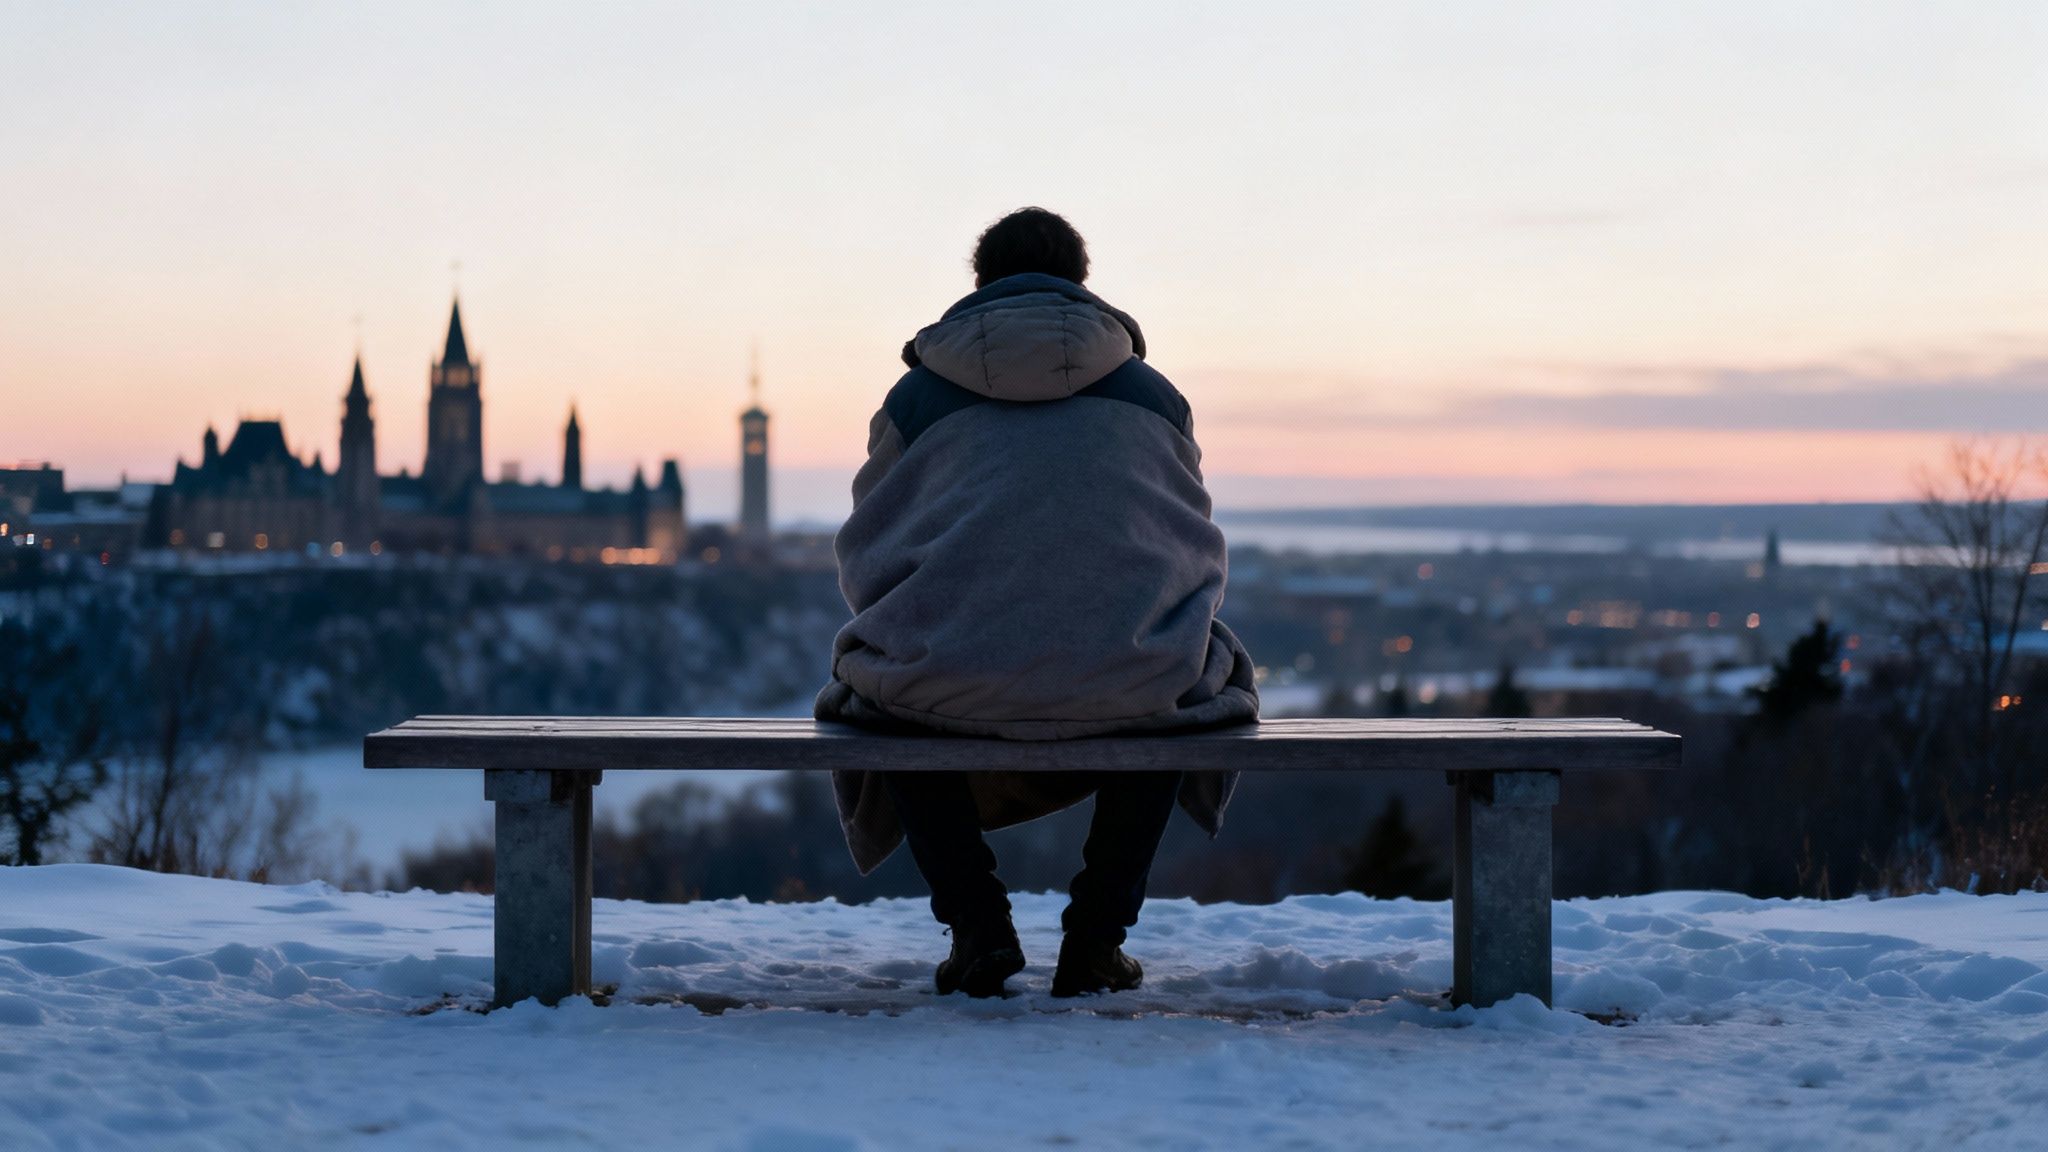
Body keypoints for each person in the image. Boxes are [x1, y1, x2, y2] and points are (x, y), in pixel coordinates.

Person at [815, 207, 1258, 998]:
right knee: (1177, 678)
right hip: (1126, 674)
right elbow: (1188, 540)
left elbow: (869, 545)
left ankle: (977, 927)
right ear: (1081, 285)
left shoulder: (914, 400)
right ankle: (1096, 940)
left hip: (947, 674)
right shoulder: (1153, 396)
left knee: (886, 689)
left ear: (980, 284)